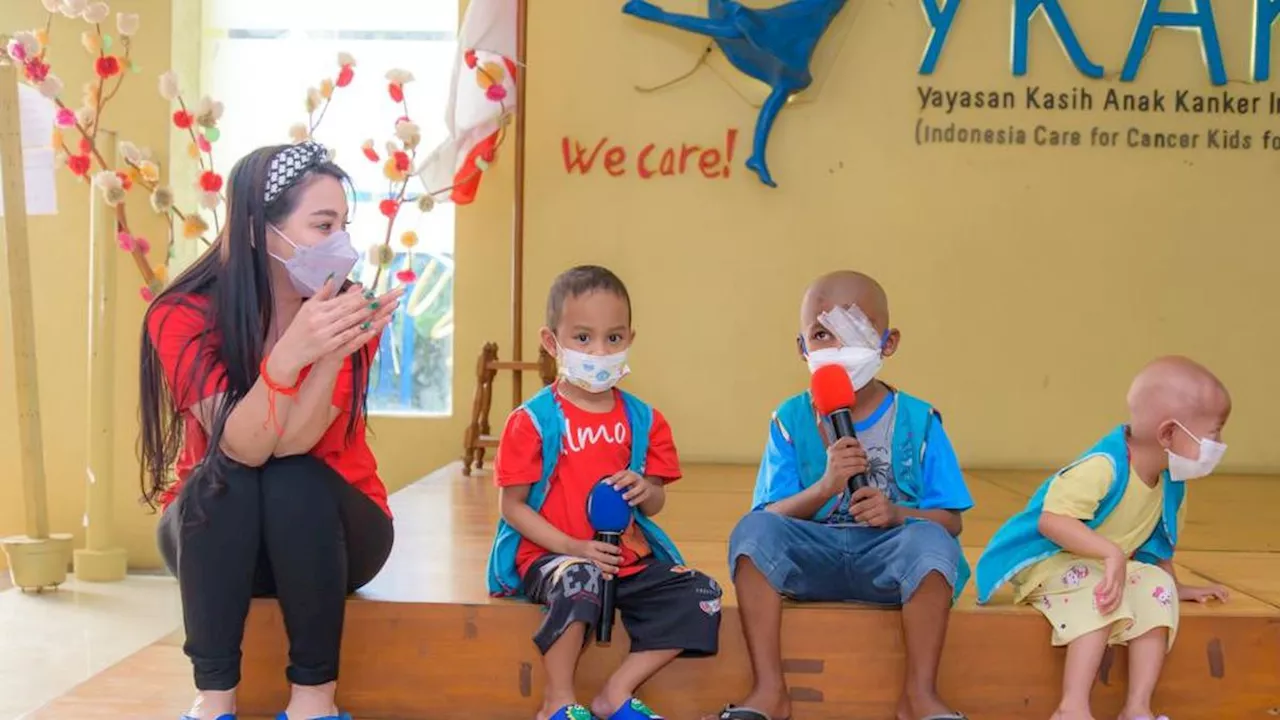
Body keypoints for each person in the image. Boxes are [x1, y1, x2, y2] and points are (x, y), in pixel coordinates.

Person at [138, 141, 404, 720]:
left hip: (336, 534)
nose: (343, 243)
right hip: (215, 535)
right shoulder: (181, 313)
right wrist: (288, 358)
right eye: (323, 224)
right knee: (226, 473)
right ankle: (214, 703)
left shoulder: (348, 310)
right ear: (262, 231)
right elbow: (242, 445)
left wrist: (331, 352)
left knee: (290, 476)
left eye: (344, 225)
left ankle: (314, 701)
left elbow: (293, 445)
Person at [714, 271, 972, 720]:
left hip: (887, 558)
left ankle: (919, 696)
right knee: (750, 532)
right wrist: (825, 487)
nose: (836, 347)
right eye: (820, 334)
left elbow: (951, 520)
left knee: (933, 542)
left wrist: (897, 514)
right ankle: (770, 691)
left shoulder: (921, 420)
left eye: (855, 331)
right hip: (813, 559)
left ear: (887, 343)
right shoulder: (790, 419)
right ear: (801, 349)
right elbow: (769, 515)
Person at [486, 265, 722, 720]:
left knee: (702, 592)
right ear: (552, 342)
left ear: (630, 338)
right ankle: (557, 702)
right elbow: (512, 507)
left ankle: (616, 692)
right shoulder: (532, 420)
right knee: (580, 577)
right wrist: (573, 548)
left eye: (613, 339)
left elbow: (656, 500)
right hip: (553, 558)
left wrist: (645, 489)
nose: (599, 350)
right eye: (582, 338)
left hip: (624, 559)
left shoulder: (645, 419)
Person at [976, 356, 1232, 720]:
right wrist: (1111, 554)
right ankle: (1072, 707)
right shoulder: (1103, 467)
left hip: (1099, 563)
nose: (1220, 444)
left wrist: (1177, 586)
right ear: (1168, 434)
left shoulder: (1171, 483)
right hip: (1050, 561)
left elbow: (1156, 543)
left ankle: (1137, 708)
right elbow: (1053, 521)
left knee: (1156, 585)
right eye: (1215, 433)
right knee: (1100, 589)